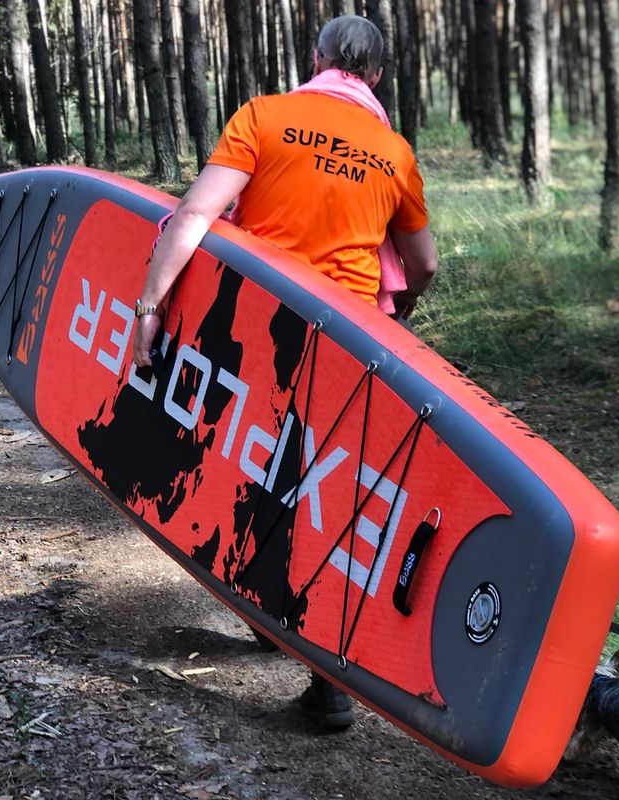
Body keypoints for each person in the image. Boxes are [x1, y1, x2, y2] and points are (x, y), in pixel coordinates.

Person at [133, 15, 437, 730]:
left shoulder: (265, 117)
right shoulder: (393, 152)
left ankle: (279, 623)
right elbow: (421, 262)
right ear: (381, 76)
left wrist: (151, 307)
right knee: (324, 493)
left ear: (316, 58)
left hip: (259, 330)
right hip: (350, 345)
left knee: (252, 473)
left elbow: (193, 217)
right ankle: (319, 664)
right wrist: (402, 314)